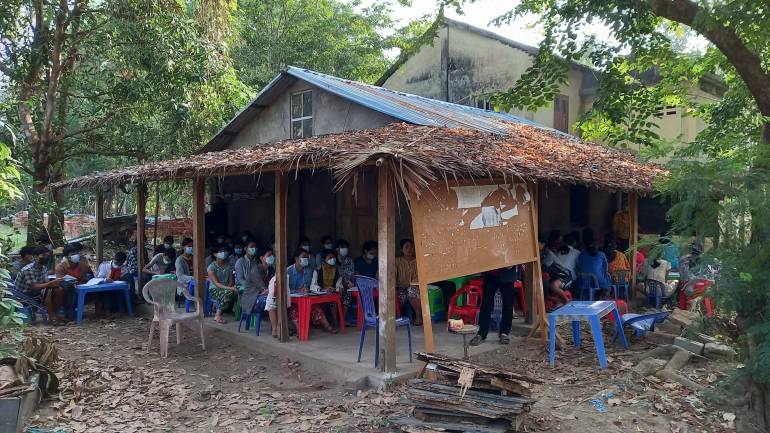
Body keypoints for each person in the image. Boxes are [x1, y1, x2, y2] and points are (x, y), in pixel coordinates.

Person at [471, 265, 521, 346]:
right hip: (491, 272)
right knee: (486, 304)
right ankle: (481, 334)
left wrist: (513, 263)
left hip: (508, 273)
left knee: (508, 304)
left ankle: (504, 333)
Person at [15, 246, 66, 325]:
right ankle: (52, 317)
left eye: (47, 256)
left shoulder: (43, 268)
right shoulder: (28, 270)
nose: (46, 258)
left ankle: (55, 314)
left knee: (59, 290)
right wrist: (50, 284)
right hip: (25, 294)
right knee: (47, 291)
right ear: (35, 256)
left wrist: (56, 283)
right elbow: (35, 286)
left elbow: (46, 282)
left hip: (37, 291)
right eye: (43, 255)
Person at [234, 241, 268, 327]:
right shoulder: (240, 262)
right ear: (245, 249)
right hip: (242, 286)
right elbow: (240, 279)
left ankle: (259, 309)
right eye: (252, 247)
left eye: (255, 247)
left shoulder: (256, 262)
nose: (254, 249)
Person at [207, 245, 237, 324]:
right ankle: (217, 315)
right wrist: (229, 289)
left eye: (224, 251)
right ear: (215, 254)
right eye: (220, 252)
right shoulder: (211, 267)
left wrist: (229, 287)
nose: (223, 253)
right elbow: (216, 284)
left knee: (237, 290)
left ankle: (236, 311)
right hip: (214, 290)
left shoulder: (228, 265)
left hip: (226, 287)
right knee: (229, 292)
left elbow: (231, 281)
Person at [395, 239, 421, 325]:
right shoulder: (397, 261)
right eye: (406, 247)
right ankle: (397, 317)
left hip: (414, 287)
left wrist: (411, 286)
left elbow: (418, 278)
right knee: (398, 295)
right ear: (401, 250)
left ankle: (418, 317)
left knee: (412, 290)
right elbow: (393, 277)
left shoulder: (417, 261)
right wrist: (396, 288)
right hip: (400, 288)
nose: (409, 249)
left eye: (411, 247)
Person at [314, 249, 344, 326]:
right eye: (330, 257)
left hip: (331, 292)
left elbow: (339, 283)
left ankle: (335, 322)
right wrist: (323, 289)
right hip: (320, 293)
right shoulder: (318, 270)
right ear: (324, 259)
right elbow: (313, 285)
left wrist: (338, 289)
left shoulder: (336, 270)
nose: (333, 259)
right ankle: (323, 323)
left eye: (334, 257)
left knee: (333, 301)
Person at [335, 239, 355, 323]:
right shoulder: (334, 260)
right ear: (337, 249)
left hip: (347, 286)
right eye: (342, 247)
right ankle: (335, 320)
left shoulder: (350, 261)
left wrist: (352, 283)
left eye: (346, 247)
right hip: (336, 286)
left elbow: (352, 275)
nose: (344, 249)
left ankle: (342, 320)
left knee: (348, 294)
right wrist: (341, 285)